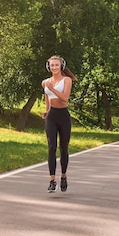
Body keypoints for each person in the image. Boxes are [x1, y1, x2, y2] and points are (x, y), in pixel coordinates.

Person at [41, 55, 78, 193]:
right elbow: (47, 98)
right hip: (52, 117)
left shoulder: (66, 80)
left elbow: (64, 98)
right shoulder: (45, 82)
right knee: (51, 147)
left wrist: (53, 88)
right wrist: (46, 111)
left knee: (64, 148)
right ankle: (52, 180)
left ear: (61, 66)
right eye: (52, 65)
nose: (54, 67)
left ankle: (63, 176)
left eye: (56, 65)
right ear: (48, 67)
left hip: (64, 116)